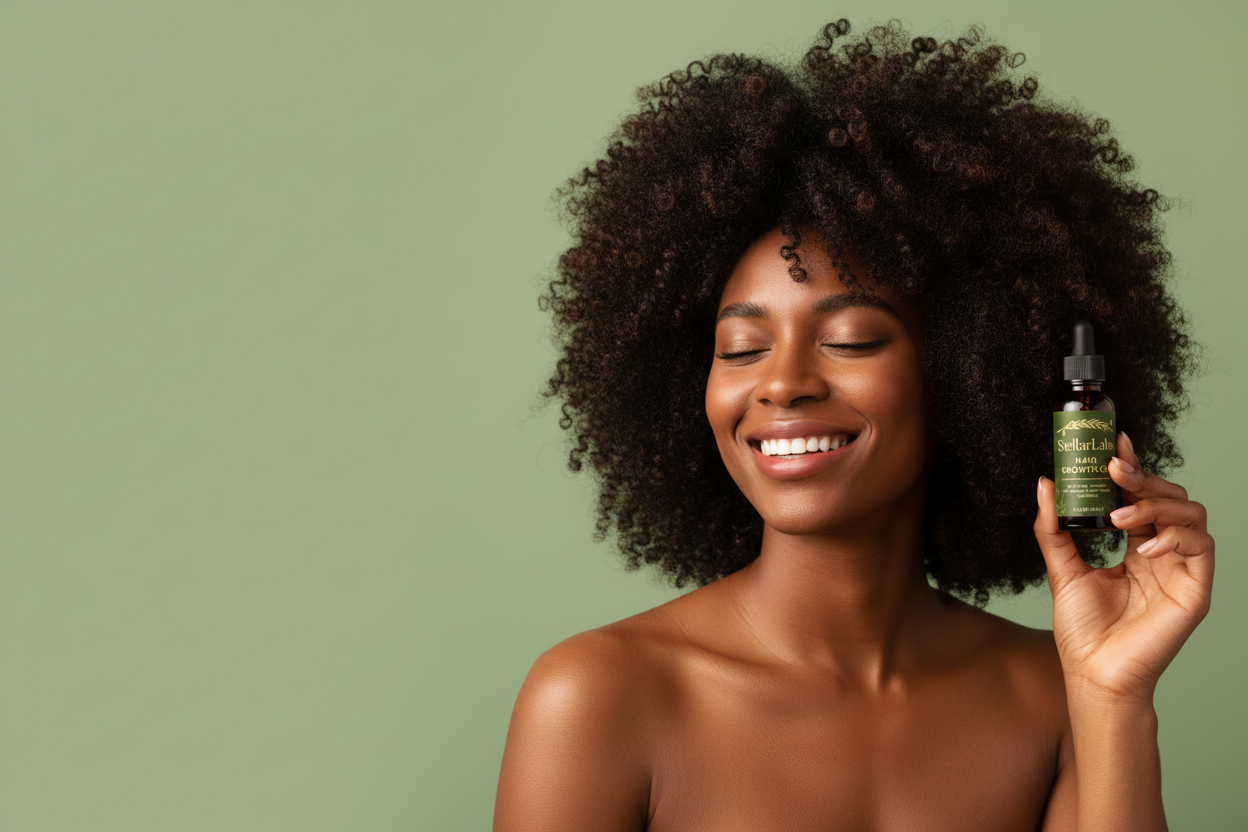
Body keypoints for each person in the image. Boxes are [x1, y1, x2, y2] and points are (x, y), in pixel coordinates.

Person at [494, 19, 1211, 831]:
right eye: (741, 349)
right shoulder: (599, 696)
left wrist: (1114, 697)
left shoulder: (1054, 694)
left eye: (850, 340)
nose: (783, 385)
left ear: (968, 373)